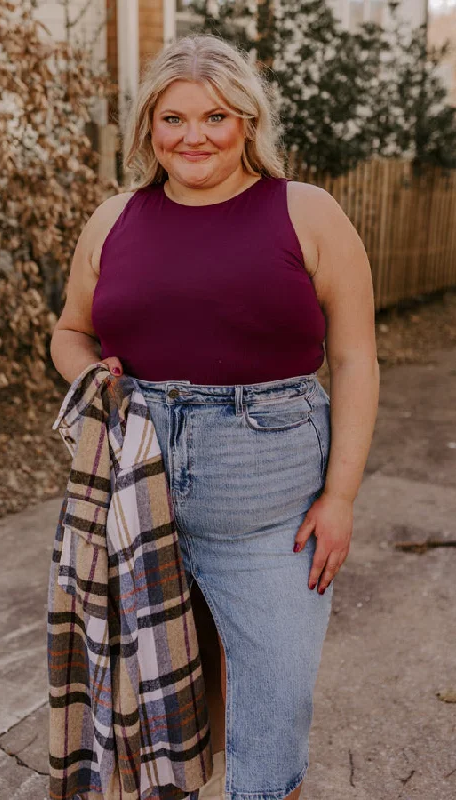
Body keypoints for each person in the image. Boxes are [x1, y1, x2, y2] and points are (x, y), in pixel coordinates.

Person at [50, 33, 379, 800]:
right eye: (173, 118)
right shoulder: (112, 219)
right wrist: (91, 373)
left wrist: (340, 497)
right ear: (148, 130)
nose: (193, 135)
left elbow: (356, 360)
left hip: (268, 498)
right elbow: (69, 332)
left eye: (215, 116)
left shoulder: (308, 213)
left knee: (273, 703)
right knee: (154, 700)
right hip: (135, 490)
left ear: (247, 124)